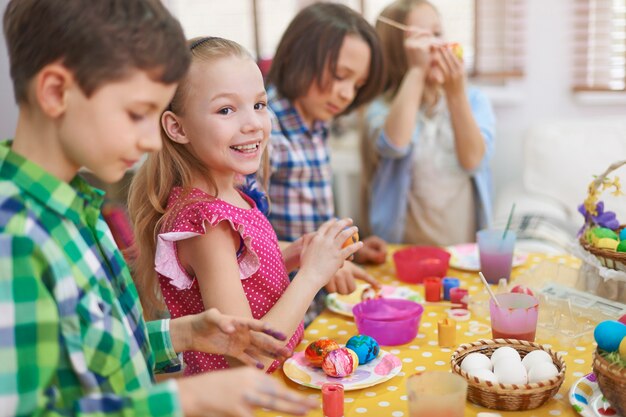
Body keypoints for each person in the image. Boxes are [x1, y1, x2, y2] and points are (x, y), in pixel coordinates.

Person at [0, 1, 317, 416]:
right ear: (57, 92)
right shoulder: (14, 237)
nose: (153, 141)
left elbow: (91, 350)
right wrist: (186, 398)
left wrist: (183, 334)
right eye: (136, 113)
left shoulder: (77, 207)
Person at [128, 36, 362, 375]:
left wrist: (294, 253)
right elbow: (249, 353)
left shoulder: (232, 194)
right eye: (226, 110)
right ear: (177, 128)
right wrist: (311, 275)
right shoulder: (206, 224)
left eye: (259, 105)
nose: (253, 123)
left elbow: (242, 275)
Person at [259, 2, 388, 322]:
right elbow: (241, 241)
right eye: (340, 75)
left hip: (314, 306)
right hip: (278, 309)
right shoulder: (264, 130)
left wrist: (343, 249)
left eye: (356, 85)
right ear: (299, 57)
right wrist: (318, 258)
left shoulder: (316, 122)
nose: (346, 94)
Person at [362, 0, 496, 246]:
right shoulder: (381, 107)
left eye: (437, 33)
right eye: (422, 39)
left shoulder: (474, 100)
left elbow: (474, 161)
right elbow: (394, 144)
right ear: (397, 51)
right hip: (401, 251)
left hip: (462, 251)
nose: (437, 45)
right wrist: (417, 71)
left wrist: (456, 95)